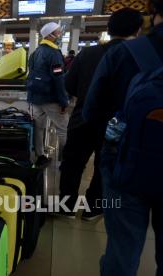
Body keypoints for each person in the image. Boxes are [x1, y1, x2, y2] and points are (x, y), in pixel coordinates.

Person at [83, 1, 163, 275]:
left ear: (152, 15)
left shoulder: (122, 54)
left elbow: (91, 109)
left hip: (125, 163)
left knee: (122, 247)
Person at [59, 8, 144, 220]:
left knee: (72, 164)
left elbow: (69, 85)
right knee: (104, 168)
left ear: (109, 28)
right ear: (138, 30)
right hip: (117, 125)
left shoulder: (88, 53)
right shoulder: (140, 57)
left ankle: (66, 206)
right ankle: (93, 209)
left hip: (83, 119)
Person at [27, 22, 69, 167]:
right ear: (50, 35)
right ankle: (65, 161)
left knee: (38, 128)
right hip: (51, 99)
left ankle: (40, 156)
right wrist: (64, 101)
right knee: (63, 129)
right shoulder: (54, 53)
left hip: (35, 98)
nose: (59, 34)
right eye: (58, 32)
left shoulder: (35, 53)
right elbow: (58, 78)